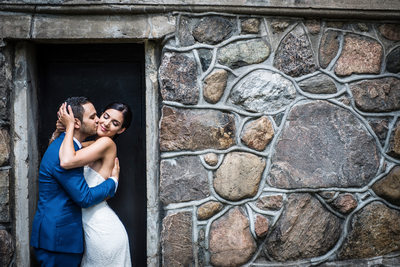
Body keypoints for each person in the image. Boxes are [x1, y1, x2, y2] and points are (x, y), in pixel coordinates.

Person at [31, 97, 120, 267]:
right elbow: (84, 198)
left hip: (59, 239)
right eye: (93, 117)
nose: (99, 120)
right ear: (77, 123)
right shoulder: (65, 154)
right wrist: (113, 182)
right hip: (58, 241)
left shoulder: (71, 147)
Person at [57, 100, 132, 266]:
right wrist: (59, 130)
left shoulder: (107, 144)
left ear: (121, 129)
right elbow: (57, 156)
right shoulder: (92, 145)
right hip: (91, 228)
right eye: (105, 116)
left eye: (115, 123)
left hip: (104, 231)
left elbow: (67, 160)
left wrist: (69, 127)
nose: (106, 123)